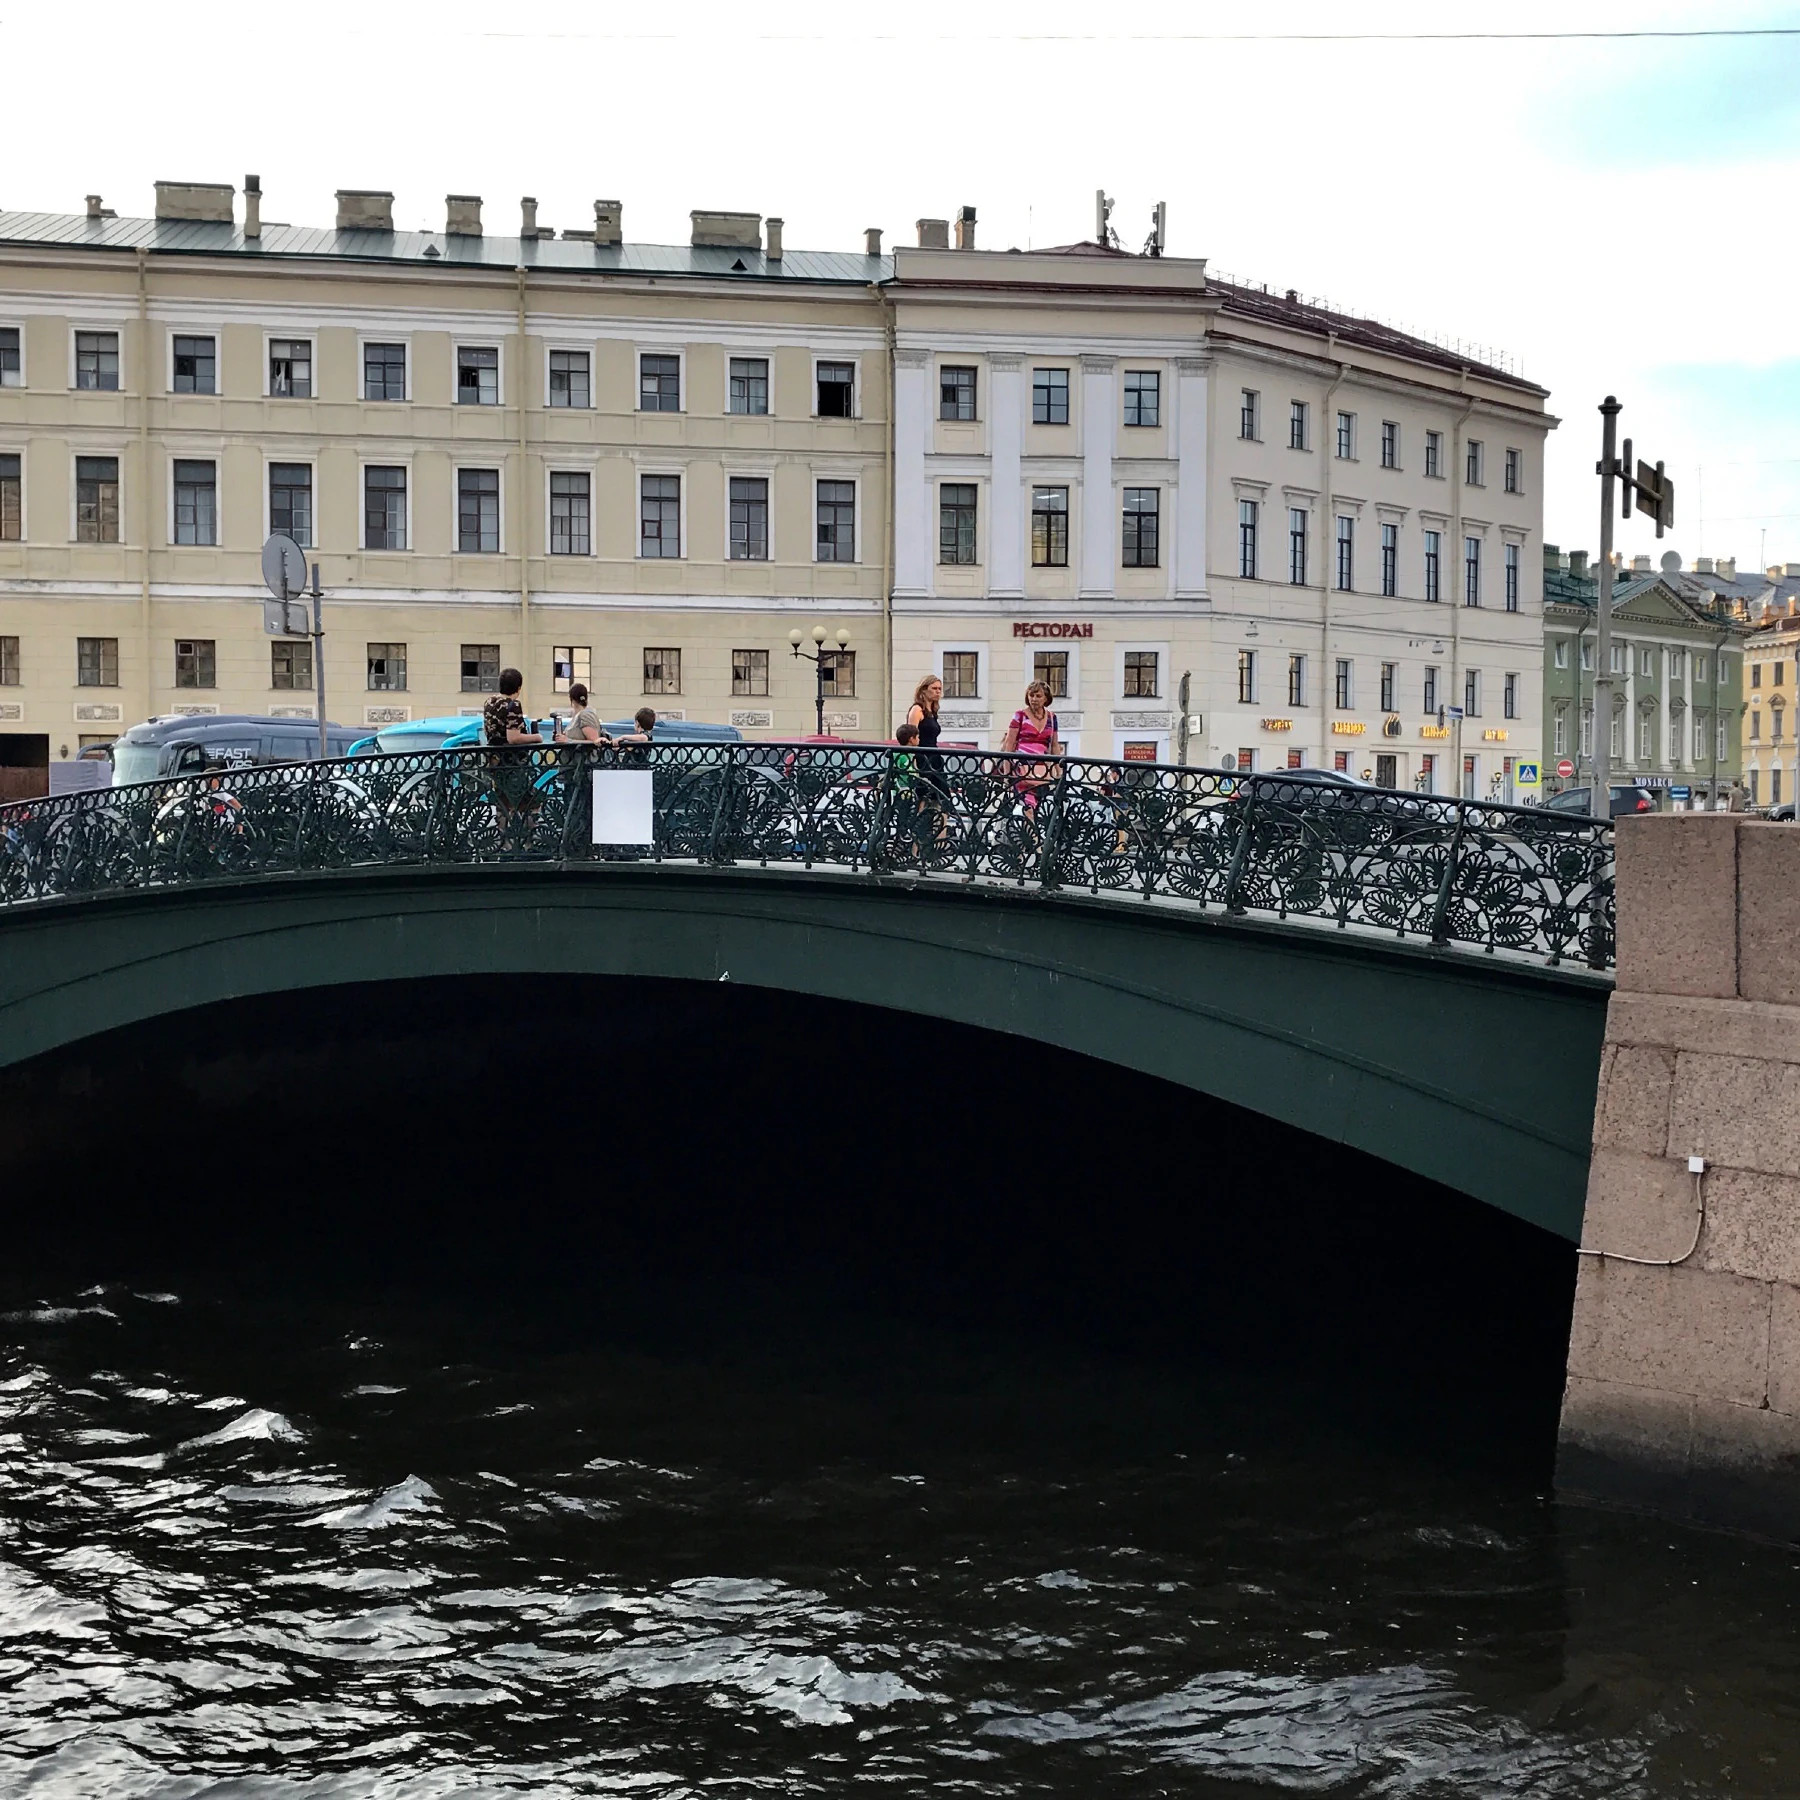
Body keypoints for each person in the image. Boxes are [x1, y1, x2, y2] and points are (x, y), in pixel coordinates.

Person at [483, 667, 543, 815]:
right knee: (531, 803)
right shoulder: (513, 705)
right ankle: (528, 836)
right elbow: (513, 737)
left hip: (495, 763)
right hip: (513, 763)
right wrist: (537, 738)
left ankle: (504, 835)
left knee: (503, 805)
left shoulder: (489, 702)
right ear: (518, 688)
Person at [1001, 680, 1062, 812]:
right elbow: (1009, 745)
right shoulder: (1020, 715)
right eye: (1031, 695)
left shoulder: (1052, 718)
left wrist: (1059, 771)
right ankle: (1032, 833)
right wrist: (1007, 775)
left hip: (1042, 772)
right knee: (1028, 808)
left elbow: (1054, 746)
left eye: (1038, 696)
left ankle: (1033, 833)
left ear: (1046, 698)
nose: (1034, 699)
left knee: (1041, 811)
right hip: (1022, 770)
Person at [905, 675, 950, 822]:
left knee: (943, 800)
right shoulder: (917, 710)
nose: (938, 692)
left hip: (935, 759)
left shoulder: (933, 712)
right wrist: (913, 764)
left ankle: (939, 841)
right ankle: (917, 841)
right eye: (934, 688)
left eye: (939, 689)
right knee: (922, 800)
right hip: (923, 758)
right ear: (924, 690)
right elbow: (910, 737)